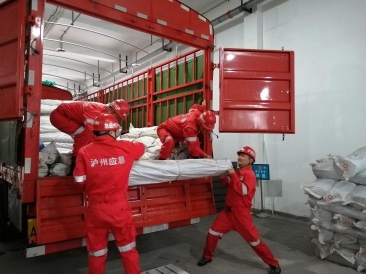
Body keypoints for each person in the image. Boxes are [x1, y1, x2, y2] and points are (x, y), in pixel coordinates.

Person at [73, 113, 146, 274]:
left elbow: (79, 181)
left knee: (96, 252)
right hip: (119, 209)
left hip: (95, 209)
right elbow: (142, 148)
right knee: (128, 249)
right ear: (112, 132)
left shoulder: (84, 152)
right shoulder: (125, 148)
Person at [197, 146, 281, 274]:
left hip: (241, 215)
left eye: (243, 156)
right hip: (227, 213)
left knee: (254, 242)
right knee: (212, 233)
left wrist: (232, 175)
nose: (240, 157)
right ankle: (207, 257)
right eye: (239, 155)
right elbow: (229, 185)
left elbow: (243, 190)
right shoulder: (238, 172)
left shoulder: (250, 175)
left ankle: (273, 264)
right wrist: (223, 177)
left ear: (251, 160)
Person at [50, 99, 130, 158]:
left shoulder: (102, 111)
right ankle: (77, 158)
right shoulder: (95, 112)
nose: (117, 119)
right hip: (59, 116)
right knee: (84, 134)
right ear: (112, 111)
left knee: (87, 135)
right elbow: (91, 132)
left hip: (67, 116)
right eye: (117, 117)